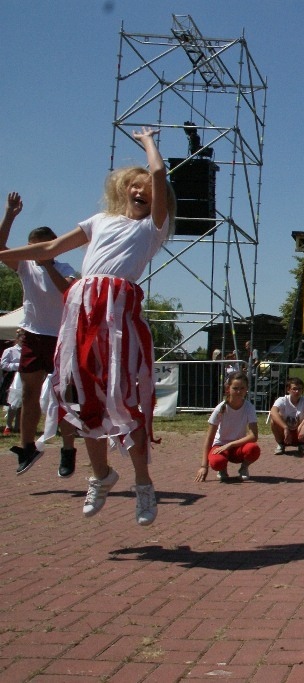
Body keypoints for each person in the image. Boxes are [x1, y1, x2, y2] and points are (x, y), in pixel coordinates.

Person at [0, 127, 171, 526]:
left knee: (124, 399)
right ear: (124, 188)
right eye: (136, 184)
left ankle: (144, 484)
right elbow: (48, 249)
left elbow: (161, 175)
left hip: (118, 315)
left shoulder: (151, 229)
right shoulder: (99, 221)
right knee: (81, 395)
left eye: (148, 186)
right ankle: (100, 475)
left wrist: (148, 143)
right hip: (82, 310)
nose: (143, 189)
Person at [1, 192, 78, 476]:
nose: (38, 253)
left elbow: (68, 291)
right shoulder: (24, 266)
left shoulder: (65, 268)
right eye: (34, 249)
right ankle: (27, 445)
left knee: (63, 396)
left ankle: (68, 448)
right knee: (30, 392)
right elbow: (0, 248)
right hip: (33, 335)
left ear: (54, 248)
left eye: (43, 248)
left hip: (60, 338)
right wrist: (10, 215)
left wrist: (47, 263)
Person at [195, 371, 260, 483]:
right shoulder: (220, 408)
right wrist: (204, 466)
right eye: (235, 388)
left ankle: (244, 468)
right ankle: (222, 469)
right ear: (228, 389)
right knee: (216, 462)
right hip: (220, 446)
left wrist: (230, 444)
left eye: (242, 388)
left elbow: (253, 436)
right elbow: (209, 438)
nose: (239, 391)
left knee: (253, 449)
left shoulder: (249, 407)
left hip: (237, 447)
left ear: (246, 389)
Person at [269, 376, 304, 456]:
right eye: (294, 389)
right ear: (288, 390)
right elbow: (273, 412)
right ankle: (281, 444)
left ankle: (302, 444)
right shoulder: (282, 400)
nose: (297, 391)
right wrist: (285, 428)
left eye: (300, 389)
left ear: (302, 390)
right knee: (274, 419)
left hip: (299, 432)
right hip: (284, 433)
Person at [0, 333, 22, 438]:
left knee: (22, 403)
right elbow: (3, 365)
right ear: (18, 339)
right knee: (12, 403)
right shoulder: (10, 351)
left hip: (24, 377)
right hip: (12, 377)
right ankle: (8, 425)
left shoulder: (28, 352)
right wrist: (17, 365)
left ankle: (18, 426)